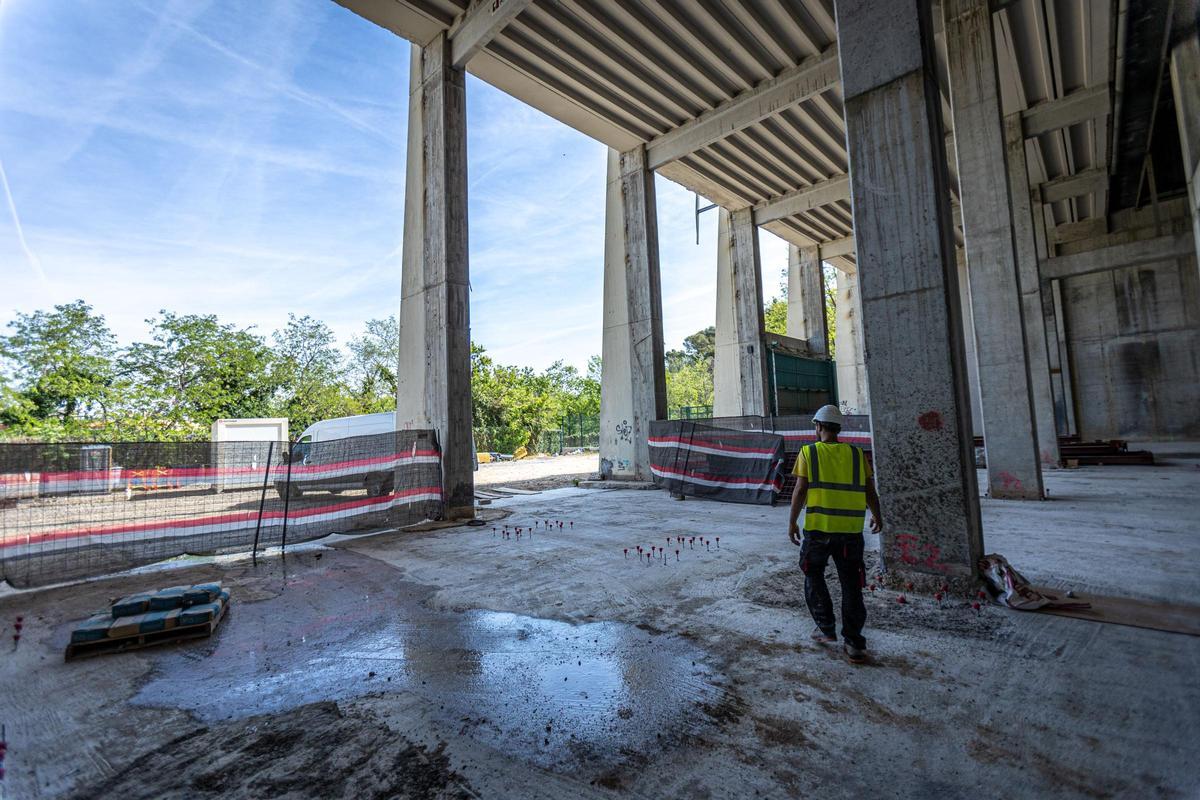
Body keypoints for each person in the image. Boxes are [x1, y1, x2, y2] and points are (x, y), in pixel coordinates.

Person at [787, 405, 883, 664]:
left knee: (813, 572)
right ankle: (854, 644)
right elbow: (869, 489)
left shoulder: (809, 452)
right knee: (851, 584)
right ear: (839, 428)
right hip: (850, 532)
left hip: (818, 529)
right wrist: (877, 514)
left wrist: (792, 522)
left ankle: (825, 627)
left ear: (818, 426)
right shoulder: (856, 454)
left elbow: (800, 490)